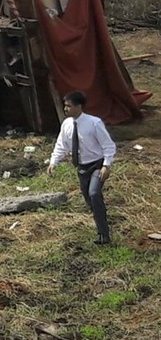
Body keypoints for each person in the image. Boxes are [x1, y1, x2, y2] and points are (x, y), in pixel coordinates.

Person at [47, 91, 117, 245]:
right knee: (89, 199)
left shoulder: (94, 123)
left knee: (94, 193)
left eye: (69, 106)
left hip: (97, 165)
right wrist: (54, 162)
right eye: (65, 106)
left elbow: (108, 146)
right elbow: (61, 145)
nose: (66, 109)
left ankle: (104, 235)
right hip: (82, 168)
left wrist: (106, 165)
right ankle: (101, 219)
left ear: (79, 106)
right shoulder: (67, 124)